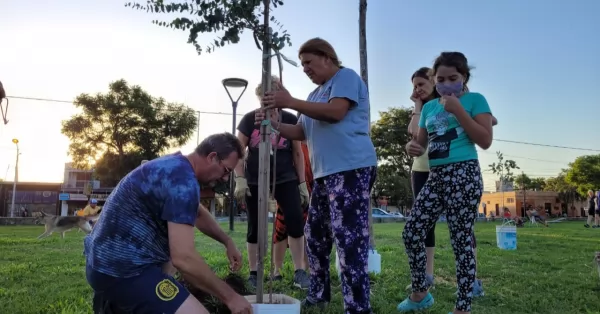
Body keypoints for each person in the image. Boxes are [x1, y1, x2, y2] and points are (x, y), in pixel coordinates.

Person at [257, 37, 377, 314]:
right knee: (315, 237)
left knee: (349, 240)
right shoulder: (314, 96)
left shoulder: (345, 77)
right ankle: (319, 293)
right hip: (325, 174)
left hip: (351, 168)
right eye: (301, 65)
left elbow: (336, 113)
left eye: (309, 62)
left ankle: (358, 308)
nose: (305, 69)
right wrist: (274, 124)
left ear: (327, 57)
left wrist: (290, 101)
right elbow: (301, 132)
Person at [84, 133, 253, 314]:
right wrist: (231, 297)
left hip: (101, 262)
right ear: (212, 157)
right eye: (227, 171)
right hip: (123, 271)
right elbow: (184, 259)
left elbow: (197, 213)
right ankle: (121, 301)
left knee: (168, 261)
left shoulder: (175, 166)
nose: (226, 178)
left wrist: (227, 241)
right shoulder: (183, 182)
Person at [399, 52, 493, 314]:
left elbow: (485, 140)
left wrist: (459, 110)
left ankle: (462, 307)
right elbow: (420, 143)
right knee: (412, 232)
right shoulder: (429, 107)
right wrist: (412, 146)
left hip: (464, 174)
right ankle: (420, 294)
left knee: (460, 240)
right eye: (441, 79)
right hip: (436, 176)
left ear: (464, 78)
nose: (447, 82)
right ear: (434, 79)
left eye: (453, 78)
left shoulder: (476, 100)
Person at [234, 76, 310, 290]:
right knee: (255, 226)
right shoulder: (250, 120)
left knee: (295, 221)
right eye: (264, 98)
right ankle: (254, 273)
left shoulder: (290, 118)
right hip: (255, 179)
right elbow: (238, 151)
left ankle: (299, 271)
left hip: (286, 177)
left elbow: (297, 152)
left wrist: (301, 183)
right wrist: (240, 178)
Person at [271, 112, 312, 283]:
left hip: (311, 190)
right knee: (281, 229)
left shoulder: (313, 144)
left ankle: (304, 269)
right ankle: (277, 269)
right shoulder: (293, 143)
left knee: (308, 230)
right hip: (290, 187)